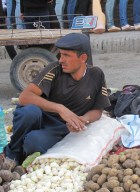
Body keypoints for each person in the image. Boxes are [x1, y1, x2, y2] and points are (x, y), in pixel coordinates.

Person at [3, 33, 111, 166]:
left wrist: (82, 120)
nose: (61, 60)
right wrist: (59, 108)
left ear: (83, 58)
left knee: (33, 142)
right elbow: (24, 97)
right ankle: (12, 152)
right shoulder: (54, 70)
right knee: (29, 112)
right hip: (41, 117)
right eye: (60, 54)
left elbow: (97, 110)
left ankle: (25, 149)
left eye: (66, 55)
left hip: (59, 128)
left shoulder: (96, 75)